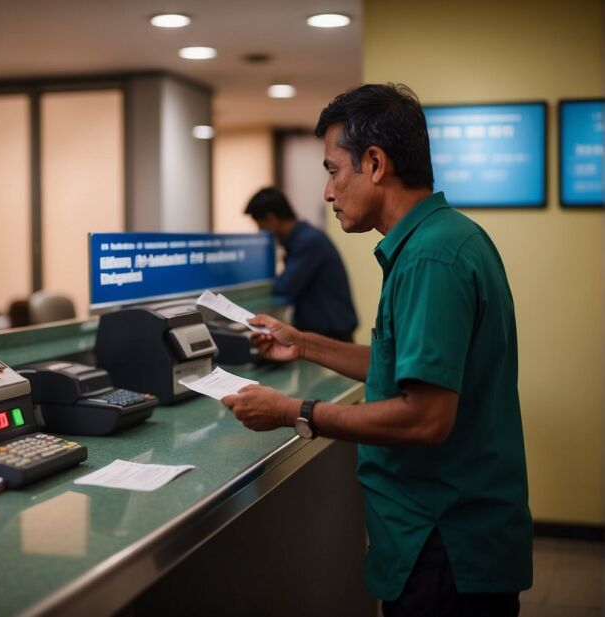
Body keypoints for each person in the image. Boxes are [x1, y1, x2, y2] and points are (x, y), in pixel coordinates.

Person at [222, 84, 532, 616]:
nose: (326, 192)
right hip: (447, 534)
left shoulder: (430, 260)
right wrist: (303, 344)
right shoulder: (442, 239)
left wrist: (294, 412)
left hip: (443, 543)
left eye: (332, 170)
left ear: (374, 163)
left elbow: (425, 418)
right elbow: (405, 368)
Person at [244, 187, 357, 341]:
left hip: (332, 336)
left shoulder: (307, 242)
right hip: (327, 332)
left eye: (260, 224)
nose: (260, 231)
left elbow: (285, 287)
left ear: (271, 219)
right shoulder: (304, 239)